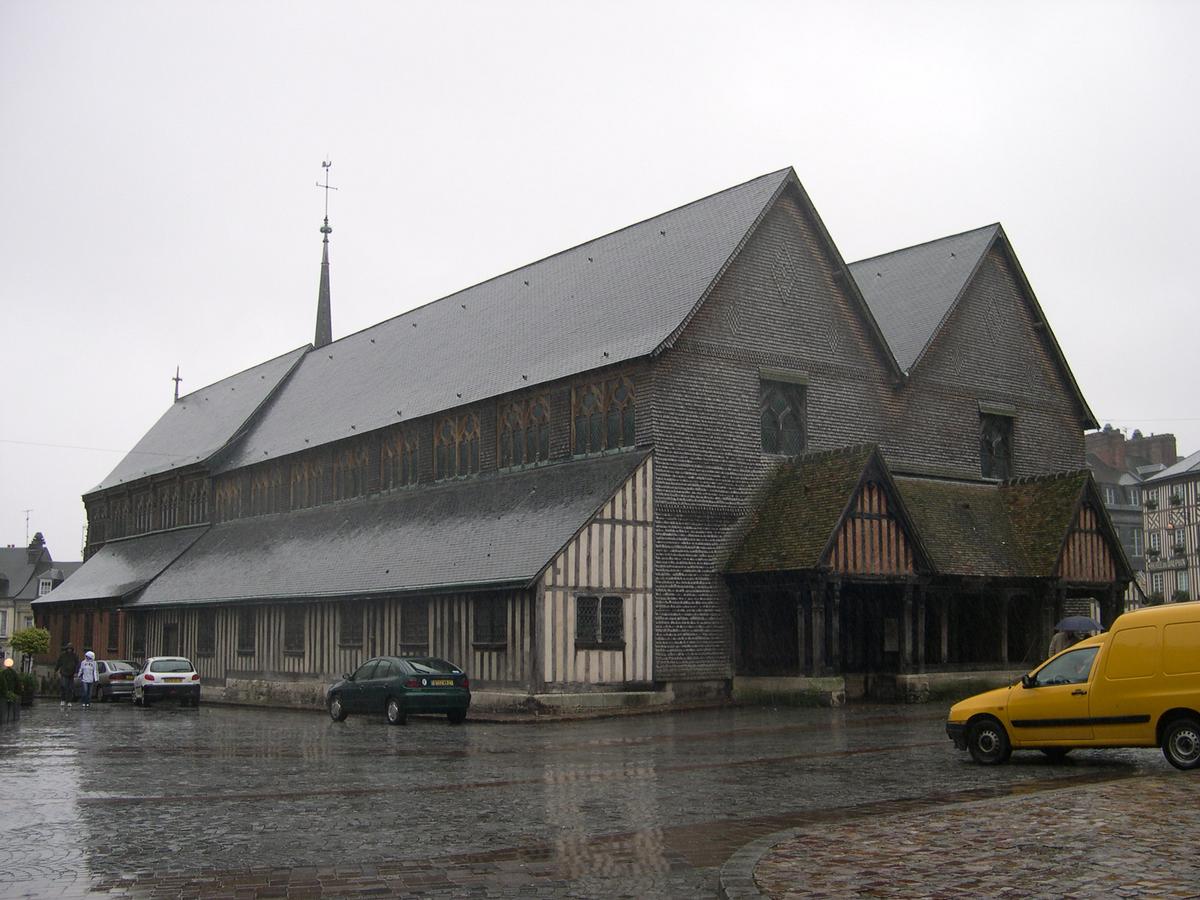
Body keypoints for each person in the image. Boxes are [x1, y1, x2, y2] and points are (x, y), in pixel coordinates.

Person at [55, 642, 79, 707]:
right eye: (68, 649)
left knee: (70, 688)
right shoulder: (62, 655)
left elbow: (77, 664)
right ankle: (63, 700)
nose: (69, 650)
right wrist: (56, 670)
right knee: (64, 686)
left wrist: (76, 672)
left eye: (70, 649)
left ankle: (69, 701)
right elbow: (59, 663)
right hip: (64, 673)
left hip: (71, 674)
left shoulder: (74, 656)